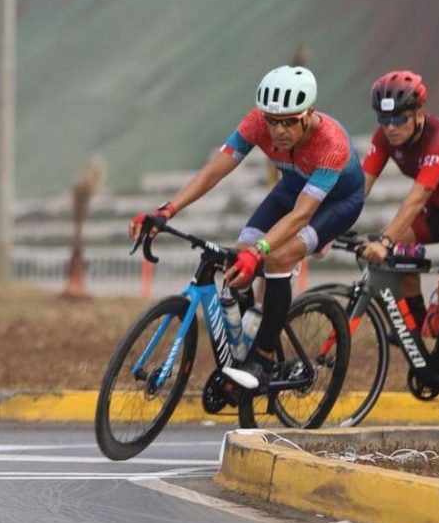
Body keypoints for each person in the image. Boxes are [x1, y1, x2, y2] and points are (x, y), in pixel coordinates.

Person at [129, 65, 365, 388]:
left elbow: (300, 215)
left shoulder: (331, 143)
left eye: (289, 122)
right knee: (240, 254)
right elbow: (213, 172)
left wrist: (261, 250)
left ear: (308, 115)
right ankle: (251, 329)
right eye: (272, 121)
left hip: (336, 204)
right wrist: (167, 210)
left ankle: (263, 359)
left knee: (278, 258)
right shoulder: (256, 123)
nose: (278, 131)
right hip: (294, 188)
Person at [360, 70, 439, 365]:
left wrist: (384, 239)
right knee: (397, 251)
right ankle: (420, 337)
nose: (391, 128)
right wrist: (325, 227)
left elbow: (416, 198)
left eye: (399, 119)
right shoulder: (384, 138)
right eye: (384, 120)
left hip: (429, 202)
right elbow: (360, 187)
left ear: (418, 113)